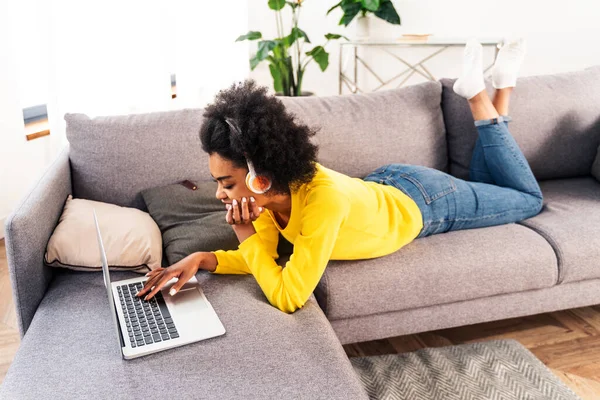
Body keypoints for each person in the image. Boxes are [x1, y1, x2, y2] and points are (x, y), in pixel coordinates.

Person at [137, 37, 543, 313]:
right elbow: (261, 259)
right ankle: (501, 88)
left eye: (227, 183)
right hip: (388, 184)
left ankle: (477, 96)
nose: (220, 196)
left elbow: (288, 296)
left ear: (261, 175)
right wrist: (202, 258)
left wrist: (245, 236)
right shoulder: (268, 200)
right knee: (490, 184)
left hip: (427, 201)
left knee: (527, 199)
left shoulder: (321, 201)